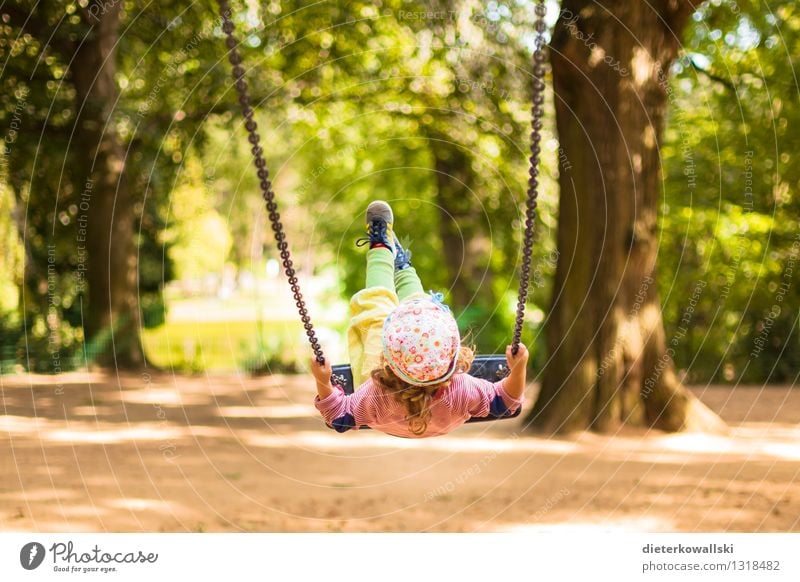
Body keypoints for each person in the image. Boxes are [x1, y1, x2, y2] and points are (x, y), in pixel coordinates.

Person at [310, 201, 528, 437]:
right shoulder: (462, 389)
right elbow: (506, 401)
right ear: (451, 360)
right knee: (416, 310)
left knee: (376, 308)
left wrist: (323, 381)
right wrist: (518, 369)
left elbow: (338, 415)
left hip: (386, 418)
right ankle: (401, 266)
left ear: (389, 362)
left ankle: (384, 248)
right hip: (441, 419)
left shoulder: (378, 394)